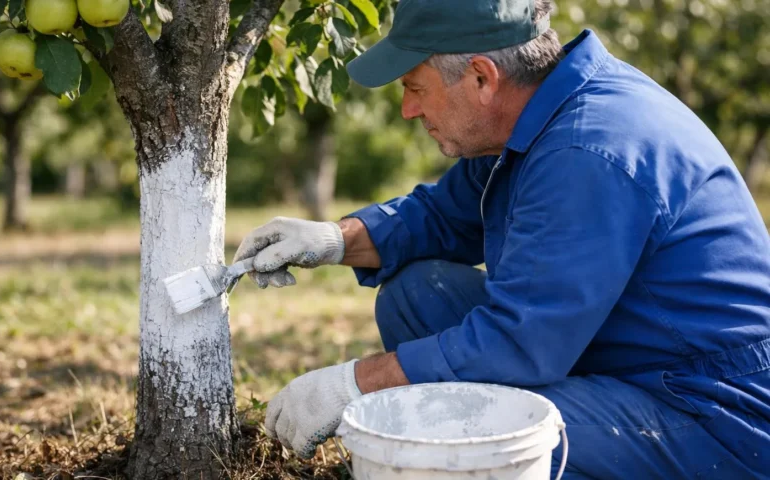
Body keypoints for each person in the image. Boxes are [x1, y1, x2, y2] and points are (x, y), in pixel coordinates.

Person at [232, 0, 770, 477]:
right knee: (418, 296)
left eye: (415, 88)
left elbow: (520, 341)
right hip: (617, 354)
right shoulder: (534, 116)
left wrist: (357, 383)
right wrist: (333, 239)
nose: (408, 110)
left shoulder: (586, 150)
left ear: (482, 78)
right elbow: (442, 217)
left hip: (714, 410)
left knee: (476, 438)